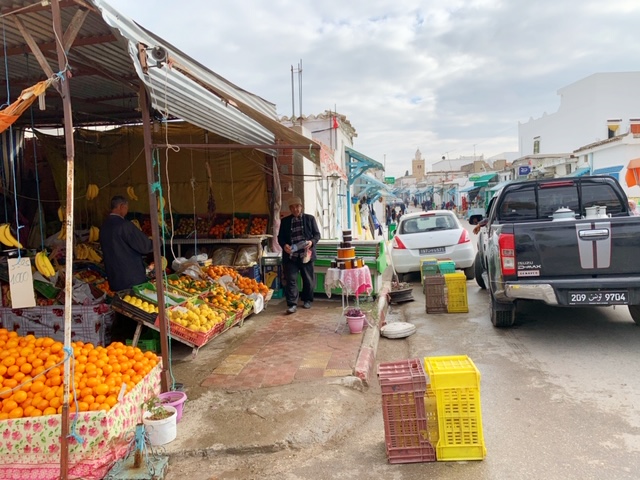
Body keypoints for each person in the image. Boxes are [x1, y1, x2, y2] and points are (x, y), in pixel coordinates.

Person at [277, 197, 321, 314]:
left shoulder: (310, 219)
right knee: (291, 279)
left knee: (308, 279)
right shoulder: (285, 221)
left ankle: (307, 300)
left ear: (301, 207)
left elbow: (317, 235)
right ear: (290, 209)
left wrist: (311, 242)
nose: (295, 209)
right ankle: (292, 304)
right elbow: (280, 238)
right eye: (292, 207)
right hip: (291, 256)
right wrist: (285, 245)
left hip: (306, 255)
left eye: (297, 206)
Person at [100, 195, 153, 291]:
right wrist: (157, 242)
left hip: (114, 278)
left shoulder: (104, 226)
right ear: (121, 206)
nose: (127, 211)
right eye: (126, 208)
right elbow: (145, 246)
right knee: (134, 303)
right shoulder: (125, 225)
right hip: (131, 278)